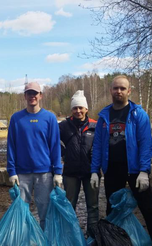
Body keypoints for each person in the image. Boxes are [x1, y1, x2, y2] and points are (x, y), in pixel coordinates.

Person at [90, 75, 152, 246]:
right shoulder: (104, 116)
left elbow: (146, 144)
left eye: (122, 88)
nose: (119, 91)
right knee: (112, 210)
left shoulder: (138, 114)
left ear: (129, 91)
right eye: (116, 88)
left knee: (148, 210)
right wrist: (95, 171)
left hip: (135, 171)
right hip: (112, 170)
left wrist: (144, 171)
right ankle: (112, 242)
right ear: (110, 90)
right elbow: (98, 146)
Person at [7, 81, 62, 230]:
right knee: (21, 212)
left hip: (44, 174)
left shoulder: (49, 118)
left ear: (40, 96)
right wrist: (11, 171)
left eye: (35, 93)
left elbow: (55, 146)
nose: (32, 96)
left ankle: (44, 240)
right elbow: (11, 146)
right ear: (25, 96)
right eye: (29, 93)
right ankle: (24, 239)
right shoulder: (16, 119)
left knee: (45, 212)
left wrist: (57, 172)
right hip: (22, 174)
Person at [59, 90, 98, 237]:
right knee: (69, 205)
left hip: (91, 172)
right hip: (70, 172)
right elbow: (53, 141)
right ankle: (70, 236)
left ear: (86, 109)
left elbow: (101, 145)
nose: (78, 111)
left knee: (93, 206)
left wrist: (97, 163)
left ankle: (93, 235)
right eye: (75, 108)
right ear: (71, 110)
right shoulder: (63, 126)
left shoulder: (95, 125)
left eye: (81, 107)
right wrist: (63, 153)